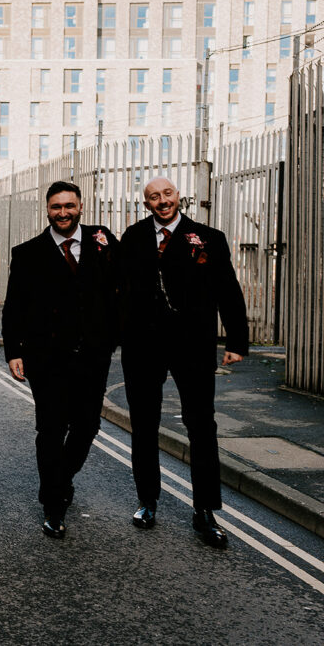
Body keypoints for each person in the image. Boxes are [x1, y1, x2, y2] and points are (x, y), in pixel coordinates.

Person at [120, 176, 248, 548]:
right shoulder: (133, 236)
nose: (162, 201)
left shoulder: (208, 237)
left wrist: (237, 341)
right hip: (143, 346)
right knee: (144, 423)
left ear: (179, 197)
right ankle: (148, 501)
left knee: (201, 425)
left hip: (193, 345)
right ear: (146, 204)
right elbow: (119, 290)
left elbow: (228, 288)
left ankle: (205, 511)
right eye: (154, 197)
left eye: (167, 194)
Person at [2, 181, 120, 539]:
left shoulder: (103, 240)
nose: (63, 213)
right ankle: (54, 503)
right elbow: (15, 307)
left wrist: (113, 337)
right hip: (46, 356)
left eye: (69, 206)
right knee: (51, 429)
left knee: (87, 426)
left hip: (93, 354)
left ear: (81, 206)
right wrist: (14, 352)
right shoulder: (27, 253)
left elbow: (121, 290)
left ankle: (60, 478)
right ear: (47, 209)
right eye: (56, 207)